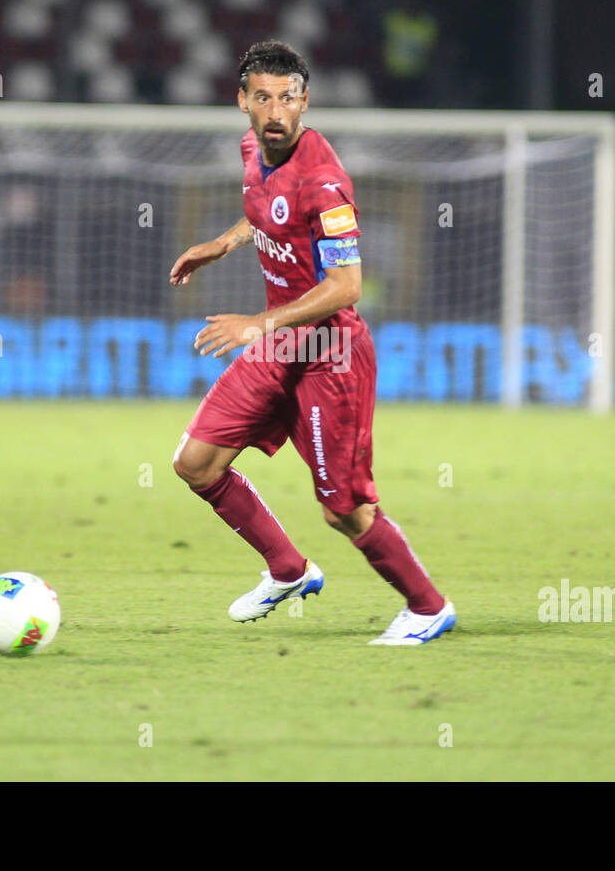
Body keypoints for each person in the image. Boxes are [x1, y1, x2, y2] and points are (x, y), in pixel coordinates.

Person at [168, 41, 456, 645]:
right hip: (279, 349)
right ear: (242, 101)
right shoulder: (254, 149)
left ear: (306, 101)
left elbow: (348, 286)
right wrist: (222, 244)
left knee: (344, 510)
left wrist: (257, 324)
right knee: (195, 464)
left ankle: (428, 607)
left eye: (288, 98)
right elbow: (268, 215)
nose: (276, 111)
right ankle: (287, 570)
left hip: (330, 354)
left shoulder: (325, 182)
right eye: (263, 97)